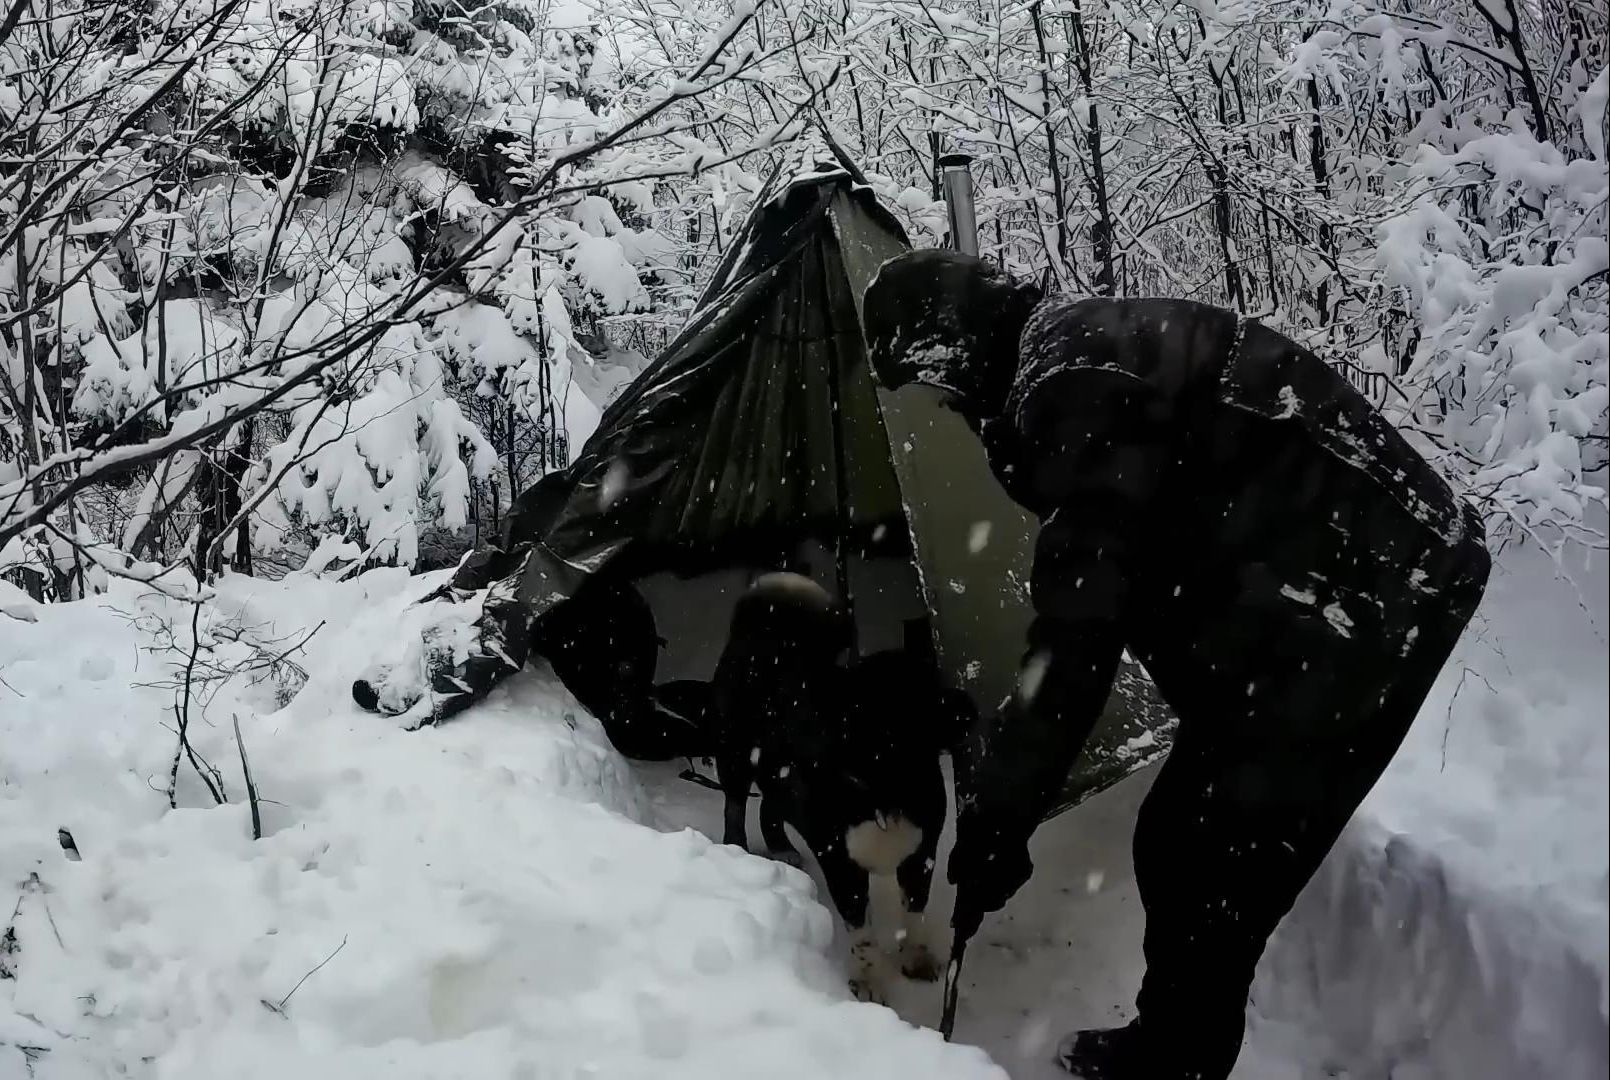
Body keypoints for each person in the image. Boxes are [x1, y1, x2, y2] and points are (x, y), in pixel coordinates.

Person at [862, 249, 1491, 1080]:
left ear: (955, 349)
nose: (948, 408)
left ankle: (1176, 1064)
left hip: (1370, 595)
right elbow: (1144, 564)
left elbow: (1079, 635)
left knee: (1216, 863)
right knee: (1184, 837)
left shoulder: (1072, 384)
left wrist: (998, 818)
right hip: (1320, 595)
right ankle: (1171, 1045)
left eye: (939, 387)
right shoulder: (1071, 355)